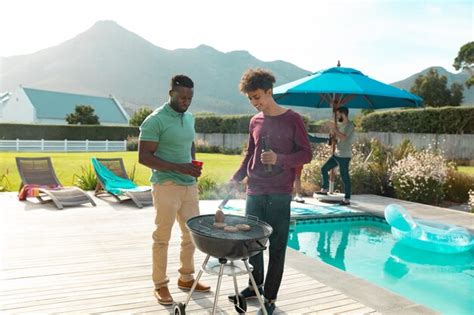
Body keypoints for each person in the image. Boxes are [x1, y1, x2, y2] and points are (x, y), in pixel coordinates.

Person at [228, 68, 312, 315]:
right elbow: (249, 155)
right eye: (250, 99)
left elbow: (306, 154)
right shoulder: (255, 121)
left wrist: (279, 158)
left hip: (279, 193)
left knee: (276, 246)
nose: (254, 103)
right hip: (254, 190)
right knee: (252, 243)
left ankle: (270, 296)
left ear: (268, 91)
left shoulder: (293, 119)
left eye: (257, 97)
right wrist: (236, 178)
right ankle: (255, 287)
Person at [138, 75, 210, 306]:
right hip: (166, 185)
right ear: (171, 94)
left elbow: (190, 143)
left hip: (189, 186)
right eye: (182, 97)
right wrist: (179, 168)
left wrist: (193, 165)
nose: (186, 101)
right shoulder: (154, 120)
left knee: (191, 235)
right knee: (162, 237)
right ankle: (160, 285)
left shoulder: (189, 118)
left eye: (190, 97)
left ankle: (186, 278)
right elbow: (144, 157)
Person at [316, 106, 355, 205]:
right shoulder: (341, 125)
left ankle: (347, 199)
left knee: (344, 177)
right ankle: (324, 189)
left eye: (338, 114)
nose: (337, 116)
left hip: (344, 156)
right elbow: (337, 139)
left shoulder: (350, 125)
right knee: (324, 169)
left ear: (343, 114)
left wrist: (335, 129)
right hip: (337, 154)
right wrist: (332, 135)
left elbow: (343, 137)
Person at [293, 134, 328, 203]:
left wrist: (327, 140)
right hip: (286, 157)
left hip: (296, 158)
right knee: (287, 177)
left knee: (297, 177)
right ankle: (290, 195)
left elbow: (312, 138)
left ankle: (298, 195)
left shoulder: (300, 131)